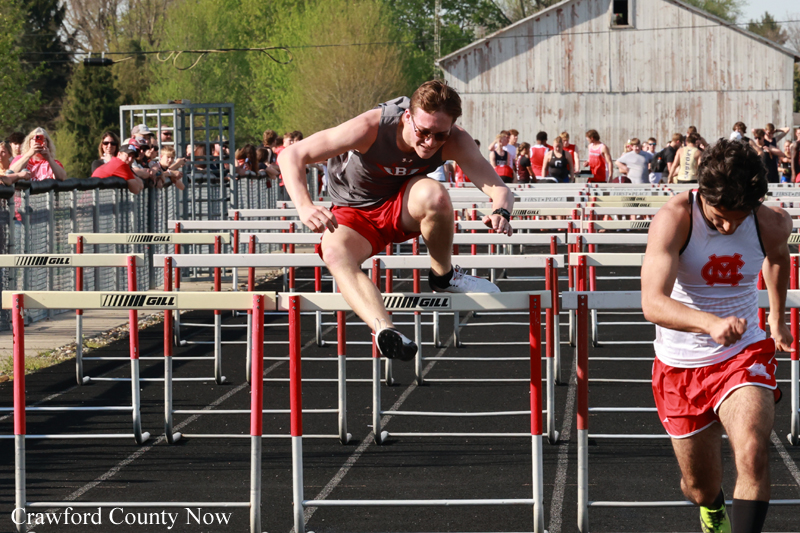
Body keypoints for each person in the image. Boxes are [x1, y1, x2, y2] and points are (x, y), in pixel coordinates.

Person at [278, 80, 513, 361]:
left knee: (435, 195)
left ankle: (444, 276)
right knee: (334, 253)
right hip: (355, 210)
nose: (430, 142)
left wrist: (501, 212)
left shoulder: (456, 140)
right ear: (407, 117)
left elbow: (499, 188)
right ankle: (384, 331)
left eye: (440, 135)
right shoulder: (370, 128)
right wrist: (304, 206)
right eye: (423, 132)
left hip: (402, 205)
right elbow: (291, 155)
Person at [641, 138, 791, 533]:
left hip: (743, 353)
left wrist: (777, 319)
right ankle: (712, 508)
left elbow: (778, 258)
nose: (729, 227)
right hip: (681, 363)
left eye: (739, 219)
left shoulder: (771, 222)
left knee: (754, 452)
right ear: (702, 194)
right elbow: (652, 303)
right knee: (699, 488)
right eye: (720, 217)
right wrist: (709, 323)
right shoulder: (675, 218)